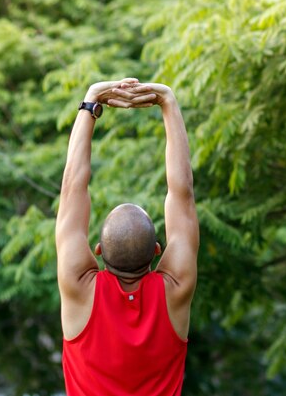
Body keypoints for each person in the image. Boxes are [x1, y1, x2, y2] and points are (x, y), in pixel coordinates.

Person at [55, 78, 199, 395]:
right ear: (158, 250)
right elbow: (183, 195)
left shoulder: (79, 288)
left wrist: (91, 100)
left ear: (97, 250)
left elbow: (71, 189)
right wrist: (169, 102)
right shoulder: (175, 289)